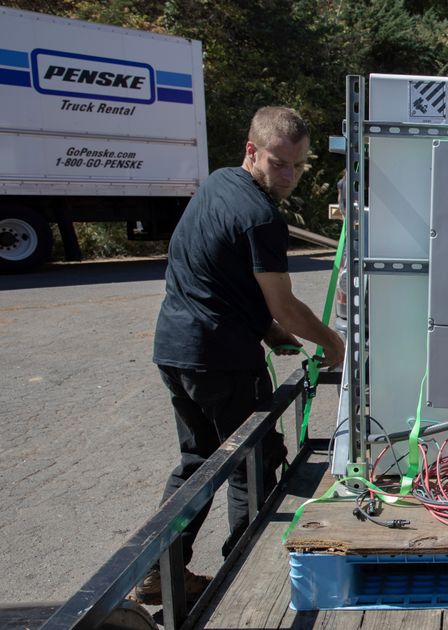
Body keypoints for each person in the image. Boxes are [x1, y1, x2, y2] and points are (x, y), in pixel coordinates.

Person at [135, 106, 345, 605]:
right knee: (252, 462)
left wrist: (267, 332)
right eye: (279, 163)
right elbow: (286, 306)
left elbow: (219, 277)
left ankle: (158, 572)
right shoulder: (261, 217)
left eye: (298, 165)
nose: (289, 175)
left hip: (176, 349)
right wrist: (332, 343)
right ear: (252, 151)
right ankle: (240, 577)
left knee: (197, 461)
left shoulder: (218, 184)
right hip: (222, 360)